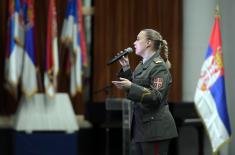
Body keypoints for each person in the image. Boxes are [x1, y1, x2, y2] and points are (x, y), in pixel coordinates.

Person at [112, 29, 178, 155]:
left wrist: (131, 86)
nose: (134, 43)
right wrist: (126, 68)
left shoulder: (159, 66)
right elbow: (138, 88)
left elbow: (156, 96)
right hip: (141, 128)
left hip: (155, 130)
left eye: (138, 39)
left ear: (148, 43)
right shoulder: (141, 65)